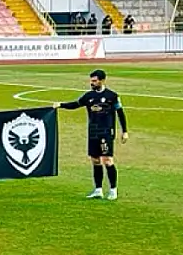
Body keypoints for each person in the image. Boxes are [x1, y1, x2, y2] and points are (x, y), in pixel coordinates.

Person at [53, 69, 129, 201]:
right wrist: (60, 105)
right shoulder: (88, 96)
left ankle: (113, 190)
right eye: (91, 81)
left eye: (94, 81)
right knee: (95, 160)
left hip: (106, 131)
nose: (92, 83)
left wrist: (125, 131)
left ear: (102, 80)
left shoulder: (112, 96)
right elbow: (75, 104)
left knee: (108, 160)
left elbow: (120, 113)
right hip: (93, 131)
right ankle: (98, 190)